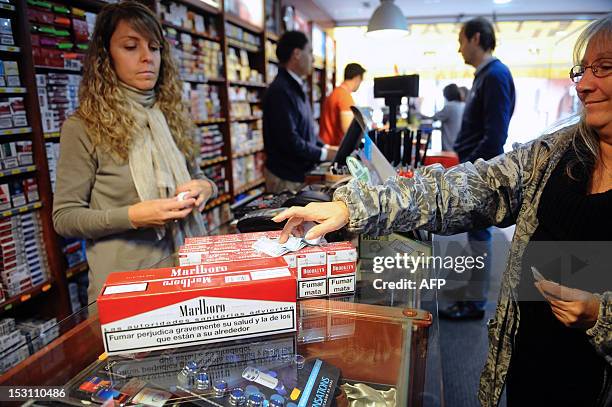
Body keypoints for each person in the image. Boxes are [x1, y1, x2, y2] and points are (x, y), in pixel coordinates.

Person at [272, 14, 612, 407]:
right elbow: (466, 188)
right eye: (581, 70)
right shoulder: (555, 154)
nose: (585, 85)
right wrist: (353, 205)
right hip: (532, 365)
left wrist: (601, 315)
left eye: (603, 68)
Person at [53, 1, 217, 299]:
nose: (147, 58)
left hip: (188, 274)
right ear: (106, 56)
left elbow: (198, 176)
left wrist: (206, 187)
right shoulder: (83, 126)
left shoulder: (170, 115)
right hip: (126, 290)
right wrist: (133, 216)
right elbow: (65, 217)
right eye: (131, 47)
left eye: (154, 48)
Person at [441, 17, 516, 319]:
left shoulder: (495, 75)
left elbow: (495, 134)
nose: (460, 49)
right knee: (476, 237)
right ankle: (473, 294)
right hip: (476, 167)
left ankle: (475, 304)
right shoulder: (485, 75)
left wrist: (469, 168)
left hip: (481, 171)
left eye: (461, 41)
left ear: (475, 38)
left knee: (480, 237)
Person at [263, 31, 337, 193]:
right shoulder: (280, 91)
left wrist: (326, 147)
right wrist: (324, 154)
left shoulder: (295, 86)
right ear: (296, 54)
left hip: (297, 174)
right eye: (310, 52)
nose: (313, 58)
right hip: (286, 178)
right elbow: (290, 141)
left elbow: (305, 131)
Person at [319, 63, 366, 146]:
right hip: (335, 150)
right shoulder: (344, 97)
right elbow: (349, 132)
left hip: (326, 145)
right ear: (357, 78)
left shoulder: (336, 92)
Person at [420, 83, 464, 152]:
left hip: (450, 144)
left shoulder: (449, 107)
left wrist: (419, 115)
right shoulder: (463, 105)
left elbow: (434, 118)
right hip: (460, 142)